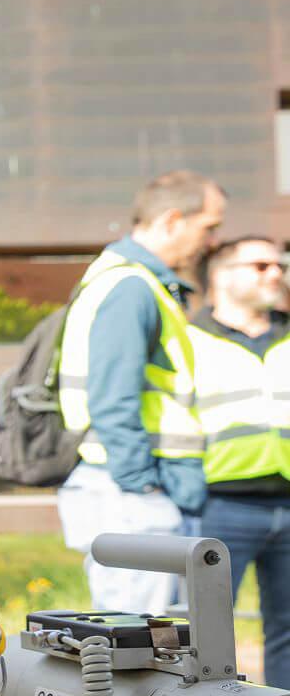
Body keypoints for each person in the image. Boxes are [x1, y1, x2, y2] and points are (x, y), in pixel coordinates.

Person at [57, 170, 225, 613]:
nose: (212, 241)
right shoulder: (131, 287)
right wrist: (140, 485)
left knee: (148, 634)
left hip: (132, 487)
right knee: (139, 634)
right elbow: (113, 397)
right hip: (130, 491)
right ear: (172, 220)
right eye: (209, 226)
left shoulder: (134, 282)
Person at [189, 236, 290, 687]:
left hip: (288, 500)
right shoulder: (188, 340)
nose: (276, 273)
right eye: (261, 265)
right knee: (203, 633)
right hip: (219, 504)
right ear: (221, 275)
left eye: (279, 265)